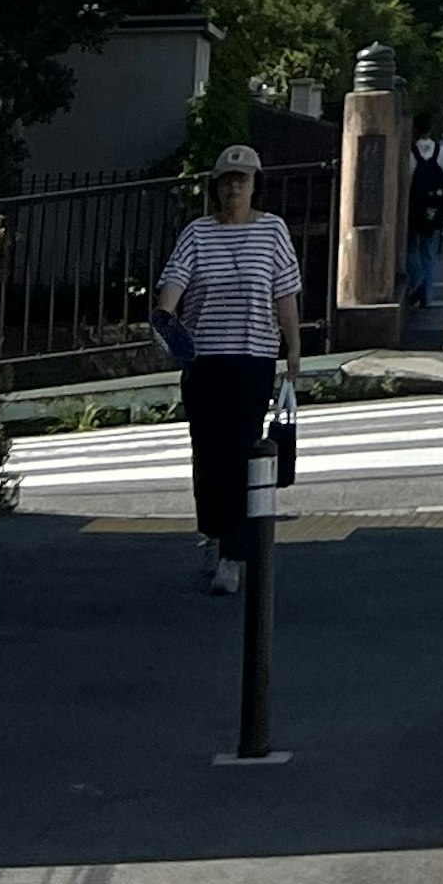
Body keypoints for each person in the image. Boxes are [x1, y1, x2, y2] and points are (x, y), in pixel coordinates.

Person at [152, 143, 304, 592]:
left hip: (252, 359)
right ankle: (214, 535)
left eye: (242, 179)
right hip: (204, 361)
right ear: (215, 187)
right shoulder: (197, 234)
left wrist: (293, 349)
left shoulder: (272, 231)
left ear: (256, 185)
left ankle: (233, 555)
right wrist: (166, 320)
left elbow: (285, 295)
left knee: (240, 453)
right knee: (208, 455)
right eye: (226, 181)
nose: (234, 187)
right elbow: (173, 286)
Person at [405, 132, 443, 322]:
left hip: (414, 207)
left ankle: (418, 279)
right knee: (429, 251)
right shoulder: (442, 152)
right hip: (434, 208)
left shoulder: (410, 153)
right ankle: (427, 296)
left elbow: (406, 180)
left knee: (411, 248)